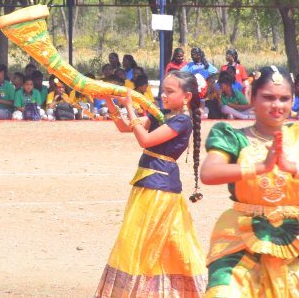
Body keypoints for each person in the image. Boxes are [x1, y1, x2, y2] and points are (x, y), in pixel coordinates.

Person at [95, 70, 207, 296]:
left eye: (170, 91)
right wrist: (109, 101)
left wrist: (129, 106)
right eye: (163, 90)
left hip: (160, 189)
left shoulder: (182, 121)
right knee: (151, 240)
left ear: (186, 97)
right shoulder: (161, 114)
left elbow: (144, 140)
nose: (164, 95)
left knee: (147, 240)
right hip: (147, 184)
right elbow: (125, 128)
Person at [200, 66, 299, 296]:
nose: (277, 105)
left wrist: (292, 167)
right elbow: (209, 172)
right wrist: (261, 167)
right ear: (252, 98)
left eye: (284, 98)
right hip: (240, 237)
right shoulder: (233, 136)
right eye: (268, 97)